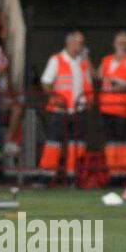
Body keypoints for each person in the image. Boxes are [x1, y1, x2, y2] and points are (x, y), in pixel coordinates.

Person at [39, 30, 92, 183]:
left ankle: (74, 175)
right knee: (53, 143)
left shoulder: (84, 62)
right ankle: (47, 176)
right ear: (69, 43)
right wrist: (55, 98)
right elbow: (46, 82)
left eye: (82, 43)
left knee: (77, 144)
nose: (80, 45)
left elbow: (90, 80)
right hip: (60, 109)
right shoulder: (56, 60)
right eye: (78, 42)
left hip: (79, 109)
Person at [97, 30, 126, 178]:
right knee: (111, 142)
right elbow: (98, 77)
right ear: (114, 43)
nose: (122, 45)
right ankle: (112, 172)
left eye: (125, 43)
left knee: (125, 142)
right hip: (107, 107)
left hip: (125, 108)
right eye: (120, 42)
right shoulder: (106, 60)